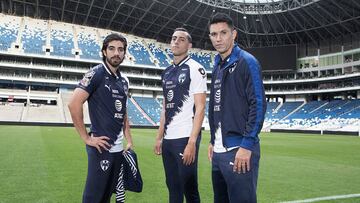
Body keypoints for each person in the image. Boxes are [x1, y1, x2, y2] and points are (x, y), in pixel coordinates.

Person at [207, 13, 266, 203]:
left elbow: (258, 104)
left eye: (223, 33)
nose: (218, 38)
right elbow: (216, 106)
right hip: (218, 151)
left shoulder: (247, 62)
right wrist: (212, 140)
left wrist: (247, 145)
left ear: (234, 34)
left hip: (239, 149)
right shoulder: (217, 66)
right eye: (213, 34)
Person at [68, 33, 133, 203]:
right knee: (92, 197)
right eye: (111, 49)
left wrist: (129, 140)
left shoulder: (124, 81)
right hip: (101, 147)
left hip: (118, 150)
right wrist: (86, 138)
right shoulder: (96, 73)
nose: (116, 53)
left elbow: (124, 113)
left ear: (124, 53)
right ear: (104, 51)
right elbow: (74, 104)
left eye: (120, 49)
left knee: (106, 197)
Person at [154, 27, 207, 203]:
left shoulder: (196, 69)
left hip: (185, 137)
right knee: (173, 187)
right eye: (174, 38)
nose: (176, 41)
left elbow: (200, 108)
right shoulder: (166, 72)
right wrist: (160, 137)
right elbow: (164, 108)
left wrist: (192, 142)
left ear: (189, 45)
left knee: (189, 187)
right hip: (168, 139)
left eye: (181, 39)